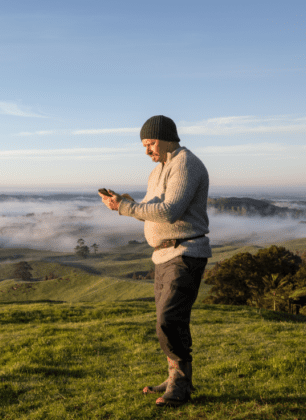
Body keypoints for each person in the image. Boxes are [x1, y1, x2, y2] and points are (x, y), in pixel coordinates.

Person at [99, 115, 212, 408]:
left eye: (150, 143)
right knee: (169, 319)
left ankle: (180, 383)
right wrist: (125, 203)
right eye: (144, 145)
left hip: (185, 252)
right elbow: (151, 208)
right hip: (163, 255)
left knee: (169, 319)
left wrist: (126, 207)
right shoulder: (159, 170)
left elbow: (169, 211)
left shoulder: (185, 163)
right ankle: (176, 376)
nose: (147, 150)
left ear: (166, 138)